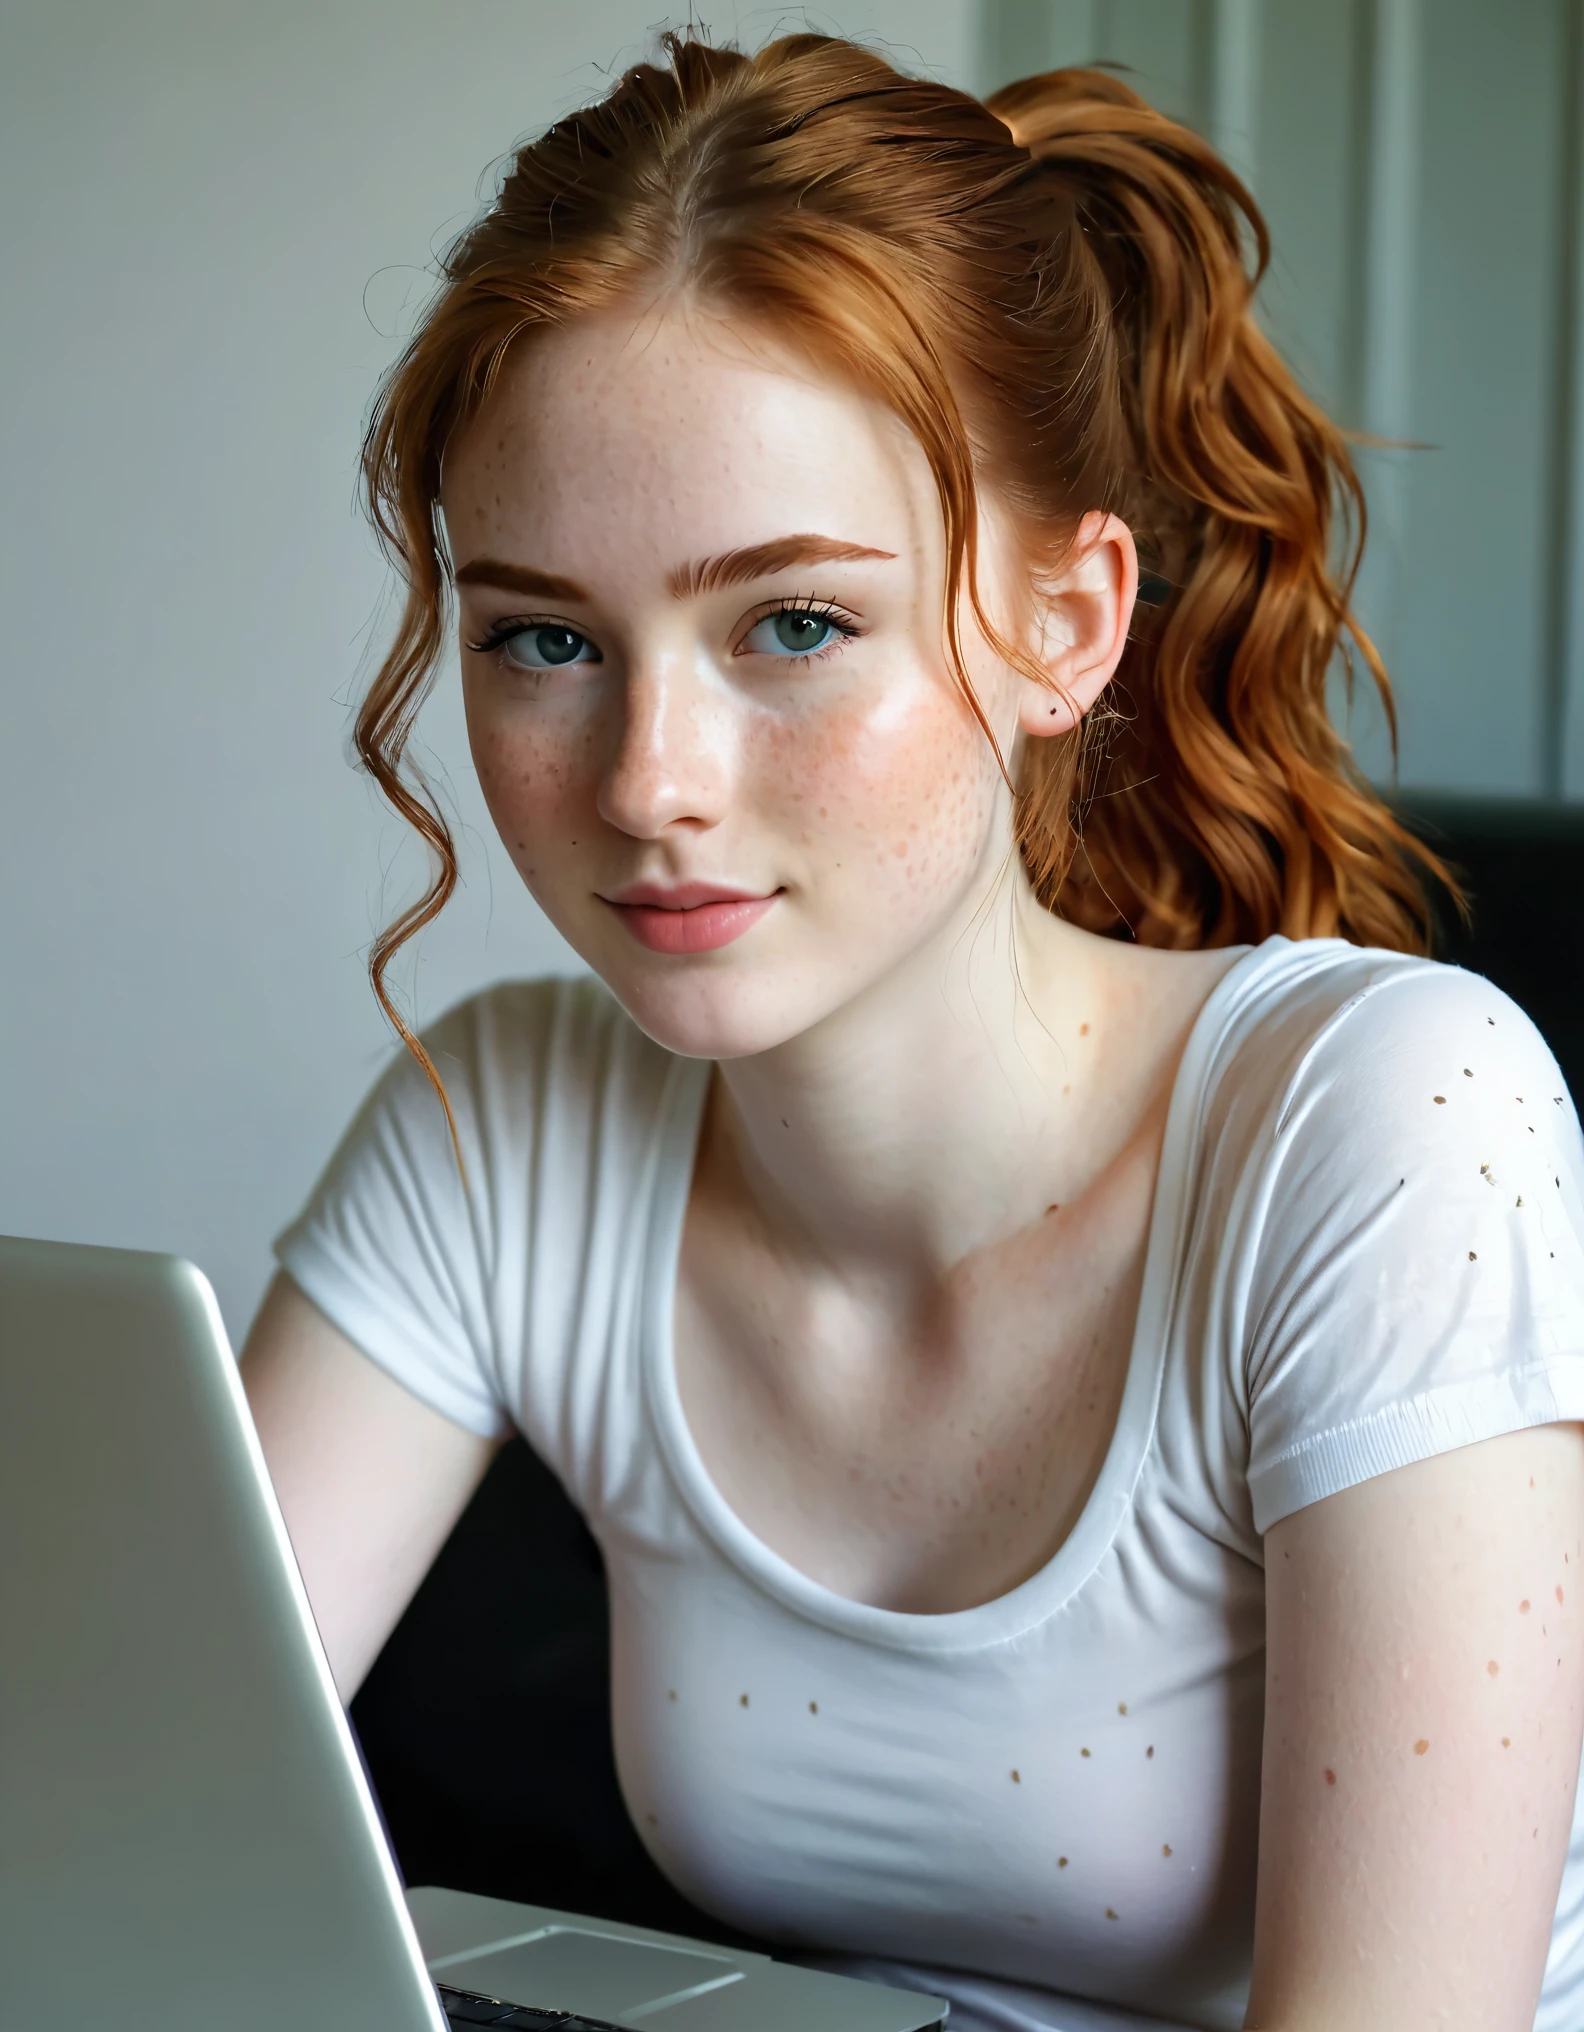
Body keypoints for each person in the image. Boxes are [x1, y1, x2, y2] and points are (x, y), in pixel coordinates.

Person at [242, 33, 1584, 2032]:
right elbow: (109, 1807)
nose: (650, 781)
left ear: (1068, 621)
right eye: (546, 638)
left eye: (792, 623)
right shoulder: (500, 1124)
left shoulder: (1388, 1121)